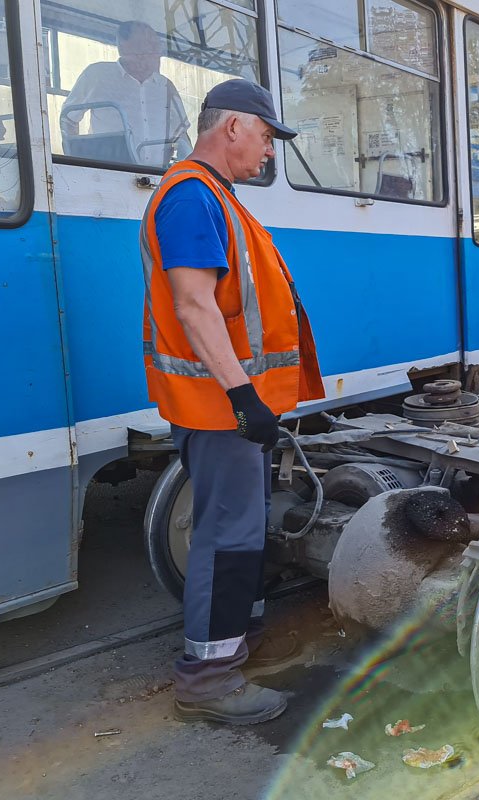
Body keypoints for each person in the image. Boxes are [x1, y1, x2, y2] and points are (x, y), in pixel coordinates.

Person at [140, 79, 324, 723]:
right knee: (226, 536)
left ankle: (231, 644)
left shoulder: (215, 196)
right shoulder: (192, 196)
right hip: (219, 408)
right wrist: (245, 398)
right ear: (236, 127)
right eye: (269, 138)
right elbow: (193, 305)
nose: (270, 152)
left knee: (237, 531)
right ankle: (209, 679)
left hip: (226, 407)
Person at [61, 21, 191, 167]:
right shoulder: (97, 75)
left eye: (156, 46)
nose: (155, 51)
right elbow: (68, 120)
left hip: (157, 178)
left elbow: (182, 137)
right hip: (109, 175)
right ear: (123, 47)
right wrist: (75, 164)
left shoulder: (166, 86)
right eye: (145, 44)